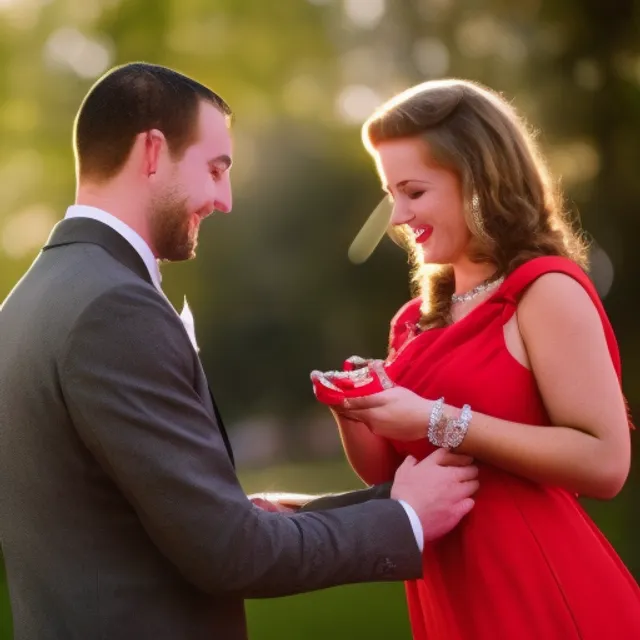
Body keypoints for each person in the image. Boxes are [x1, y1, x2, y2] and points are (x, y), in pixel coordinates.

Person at [0, 64, 480, 640]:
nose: (224, 200)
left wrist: (386, 497)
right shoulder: (114, 309)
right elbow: (230, 553)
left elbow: (131, 521)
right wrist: (404, 520)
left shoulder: (30, 300)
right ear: (152, 151)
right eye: (215, 169)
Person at [311, 79, 640, 639]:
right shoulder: (413, 321)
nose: (397, 217)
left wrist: (437, 418)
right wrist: (357, 411)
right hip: (450, 595)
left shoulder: (543, 290)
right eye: (391, 194)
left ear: (478, 180)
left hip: (539, 589)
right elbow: (395, 477)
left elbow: (607, 463)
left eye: (413, 192)